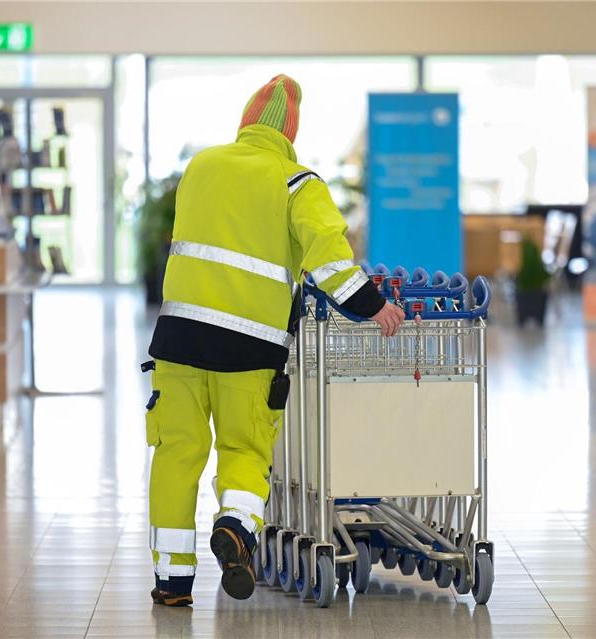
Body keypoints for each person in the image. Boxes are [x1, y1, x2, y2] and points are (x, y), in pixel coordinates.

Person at [143, 75, 405, 607]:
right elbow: (331, 263)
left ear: (245, 121)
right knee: (244, 449)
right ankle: (237, 528)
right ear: (290, 132)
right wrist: (376, 307)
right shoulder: (296, 182)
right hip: (249, 348)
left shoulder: (201, 167)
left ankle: (172, 582)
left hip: (176, 341)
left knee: (176, 454)